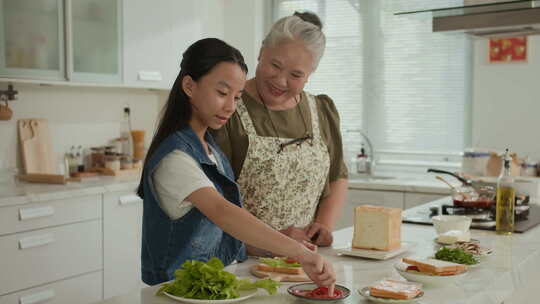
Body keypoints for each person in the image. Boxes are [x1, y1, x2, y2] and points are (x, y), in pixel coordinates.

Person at [136, 38, 335, 291]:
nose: (230, 106)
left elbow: (222, 234)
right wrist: (300, 253)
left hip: (210, 290)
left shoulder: (211, 152)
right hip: (176, 295)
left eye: (237, 96)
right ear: (189, 85)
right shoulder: (175, 158)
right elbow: (222, 212)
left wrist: (277, 244)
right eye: (221, 93)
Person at [211, 12, 348, 253]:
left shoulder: (321, 110)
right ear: (261, 51)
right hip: (242, 259)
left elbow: (337, 176)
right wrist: (272, 242)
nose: (281, 81)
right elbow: (214, 203)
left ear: (310, 73)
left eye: (296, 75)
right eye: (275, 65)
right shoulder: (228, 109)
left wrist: (323, 226)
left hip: (305, 259)